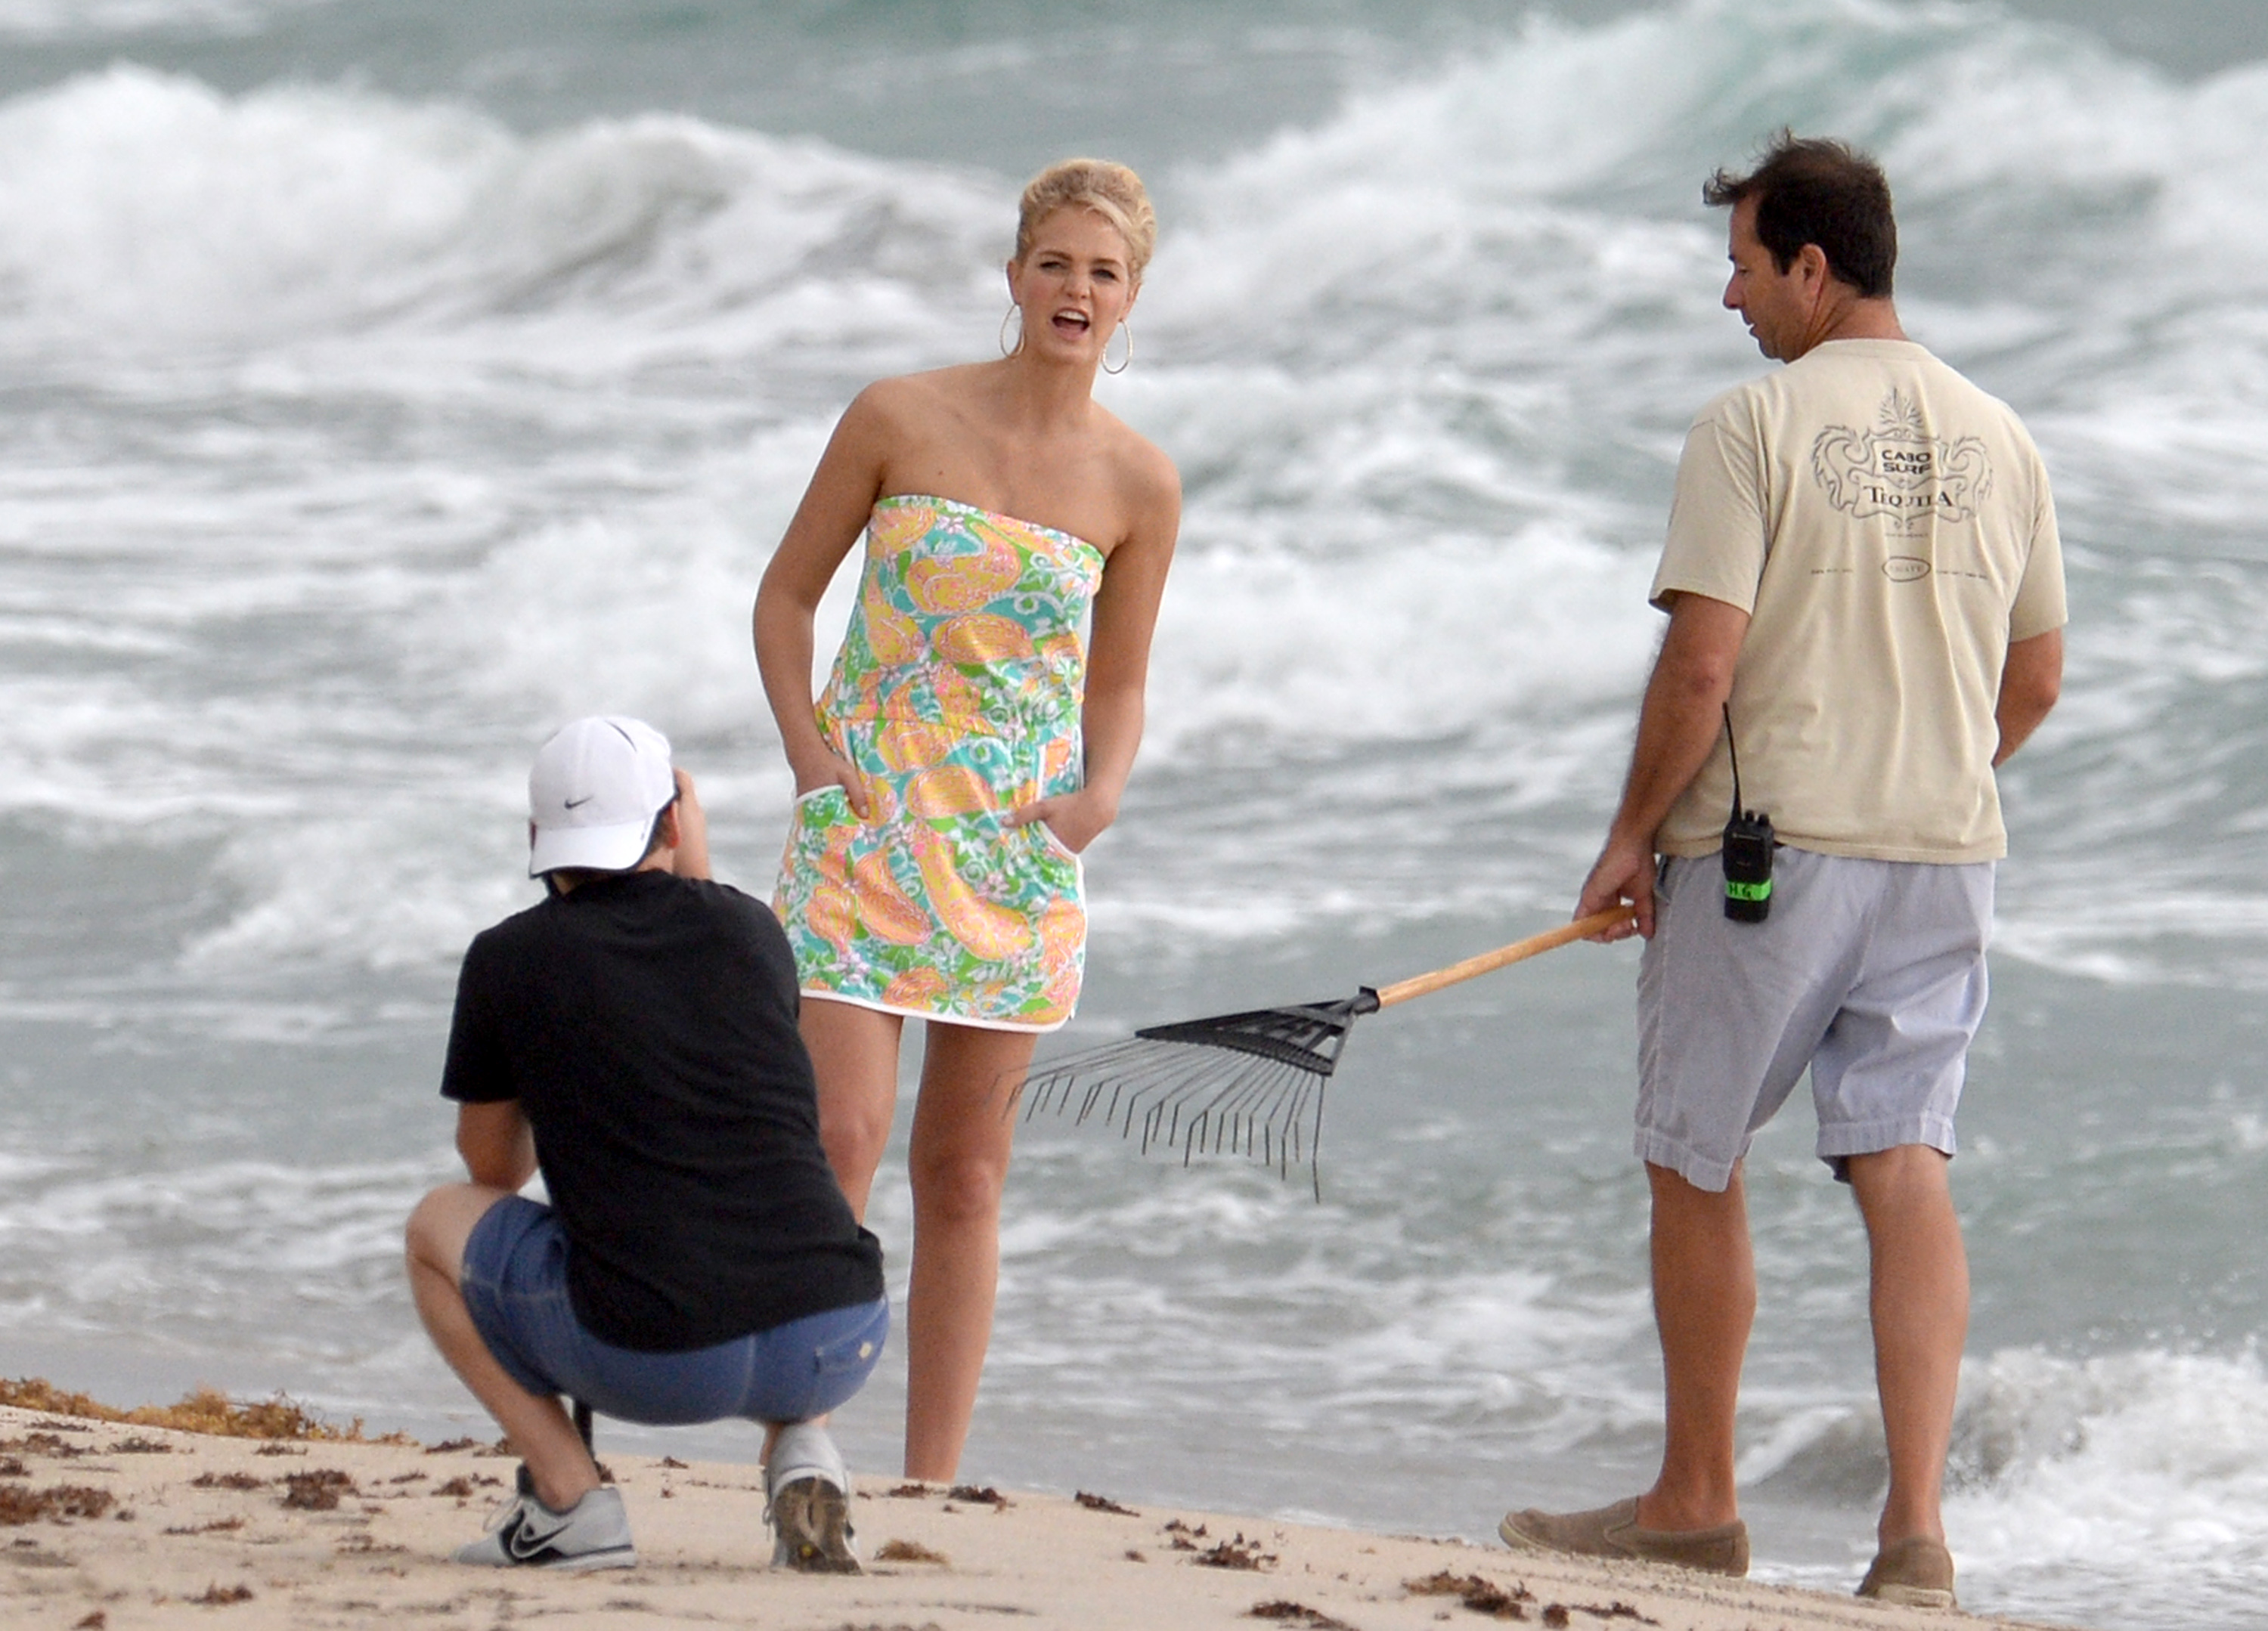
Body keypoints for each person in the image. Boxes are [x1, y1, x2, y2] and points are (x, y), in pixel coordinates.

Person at [1495, 134, 2065, 1608]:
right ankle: (1915, 1536)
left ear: (1813, 268)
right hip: (1945, 850)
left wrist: (1629, 836)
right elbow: (2038, 676)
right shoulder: (2002, 433)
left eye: (1745, 265)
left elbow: (1703, 664)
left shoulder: (1752, 423)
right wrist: (1930, 774)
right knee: (1906, 1162)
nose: (1730, 294)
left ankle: (1695, 1503)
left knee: (1697, 1153)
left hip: (1767, 853)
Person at [753, 158, 1179, 1482]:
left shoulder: (1140, 483)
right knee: (839, 1140)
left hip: (1012, 854)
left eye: (1103, 272)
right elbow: (784, 599)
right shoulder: (898, 415)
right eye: (1055, 263)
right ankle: (804, 1445)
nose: (1075, 289)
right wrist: (812, 759)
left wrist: (1101, 794)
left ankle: (933, 1483)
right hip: (867, 827)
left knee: (967, 1177)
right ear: (1015, 277)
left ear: (1130, 300)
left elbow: (1119, 682)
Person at [404, 716, 889, 1572]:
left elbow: (495, 1172)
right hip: (836, 1334)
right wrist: (689, 849)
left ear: (537, 839)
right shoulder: (756, 935)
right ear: (673, 821)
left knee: (433, 1226)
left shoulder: (508, 959)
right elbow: (698, 971)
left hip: (654, 1358)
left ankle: (568, 1500)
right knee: (765, 1199)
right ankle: (804, 1449)